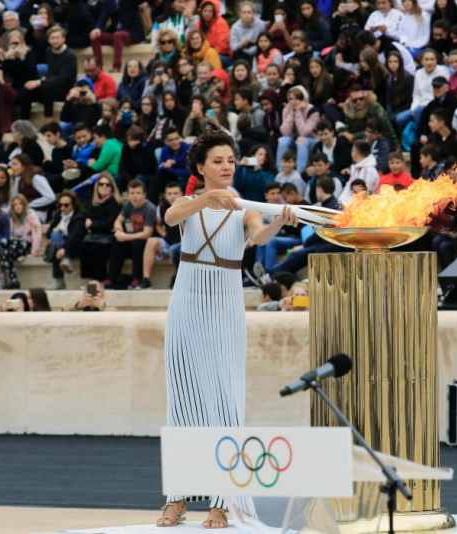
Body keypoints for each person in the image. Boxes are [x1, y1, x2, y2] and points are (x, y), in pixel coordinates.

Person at [157, 130, 297, 528]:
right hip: (186, 305)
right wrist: (205, 198)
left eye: (231, 161)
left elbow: (258, 235)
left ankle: (224, 501)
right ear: (201, 168)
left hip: (224, 308)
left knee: (225, 401)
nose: (226, 167)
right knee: (181, 401)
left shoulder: (244, 207)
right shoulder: (188, 202)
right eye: (218, 161)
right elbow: (171, 217)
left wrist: (277, 222)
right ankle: (178, 498)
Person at [107, 179, 155, 289]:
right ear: (128, 195)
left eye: (138, 193)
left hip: (144, 241)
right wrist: (118, 228)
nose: (135, 196)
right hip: (131, 237)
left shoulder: (149, 208)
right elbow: (118, 220)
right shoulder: (128, 205)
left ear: (144, 195)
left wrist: (126, 237)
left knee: (137, 243)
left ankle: (137, 278)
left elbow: (147, 234)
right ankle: (113, 277)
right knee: (118, 243)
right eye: (132, 193)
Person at [79, 173, 122, 283]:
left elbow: (109, 224)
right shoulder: (93, 203)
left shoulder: (115, 203)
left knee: (97, 248)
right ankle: (89, 277)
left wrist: (93, 224)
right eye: (101, 184)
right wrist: (95, 225)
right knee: (83, 246)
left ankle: (101, 278)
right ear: (97, 186)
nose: (104, 187)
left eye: (107, 185)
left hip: (108, 236)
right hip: (95, 235)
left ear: (112, 187)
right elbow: (89, 221)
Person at [45, 190, 87, 290]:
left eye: (66, 205)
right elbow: (48, 232)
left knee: (58, 245)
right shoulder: (58, 216)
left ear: (73, 205)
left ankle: (58, 279)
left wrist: (64, 249)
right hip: (60, 245)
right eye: (60, 205)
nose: (63, 208)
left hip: (75, 245)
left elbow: (75, 237)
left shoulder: (79, 217)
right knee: (55, 235)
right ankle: (65, 260)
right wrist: (54, 230)